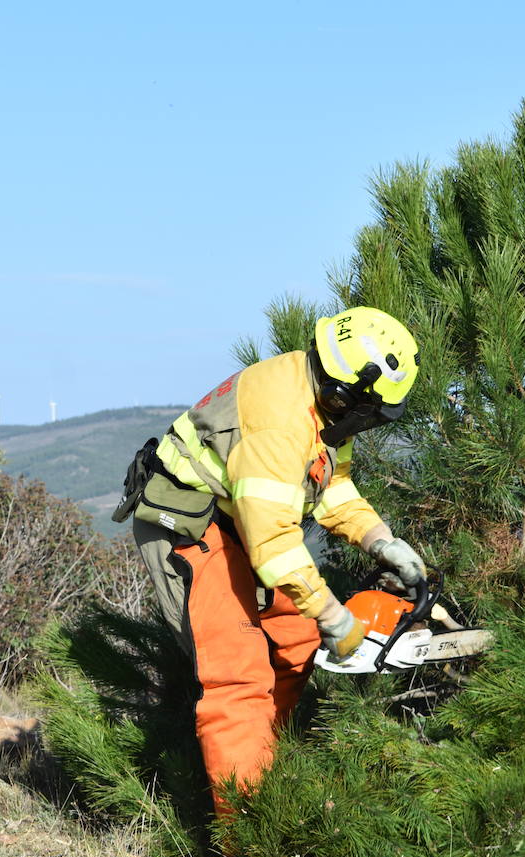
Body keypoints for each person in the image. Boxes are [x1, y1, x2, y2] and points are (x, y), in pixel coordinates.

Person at [125, 306, 427, 809]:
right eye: (371, 413)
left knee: (296, 639)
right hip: (191, 526)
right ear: (346, 393)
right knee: (239, 676)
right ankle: (249, 837)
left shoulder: (320, 398)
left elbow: (332, 486)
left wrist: (378, 538)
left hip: (239, 518)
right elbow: (276, 545)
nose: (370, 424)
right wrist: (335, 616)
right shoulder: (280, 422)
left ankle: (266, 771)